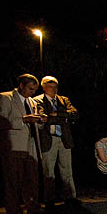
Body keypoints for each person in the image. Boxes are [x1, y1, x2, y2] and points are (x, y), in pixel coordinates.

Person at [0, 74, 47, 214]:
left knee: (32, 180)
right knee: (13, 181)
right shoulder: (5, 98)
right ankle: (14, 212)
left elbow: (35, 126)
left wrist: (40, 121)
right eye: (30, 89)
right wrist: (23, 120)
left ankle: (32, 208)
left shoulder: (32, 101)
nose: (32, 92)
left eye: (34, 90)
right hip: (13, 147)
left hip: (32, 147)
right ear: (21, 85)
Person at [33, 76, 79, 205]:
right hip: (49, 139)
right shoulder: (38, 100)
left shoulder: (63, 100)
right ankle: (49, 199)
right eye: (50, 87)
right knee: (48, 171)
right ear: (44, 88)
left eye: (55, 87)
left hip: (64, 139)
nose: (53, 90)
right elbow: (43, 118)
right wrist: (64, 117)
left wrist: (56, 114)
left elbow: (75, 114)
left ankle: (70, 197)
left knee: (67, 169)